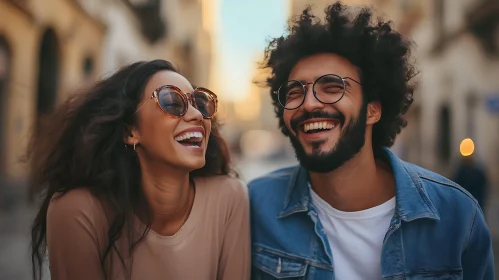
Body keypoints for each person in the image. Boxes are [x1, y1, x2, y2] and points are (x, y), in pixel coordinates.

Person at [248, 2, 493, 279]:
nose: (309, 103)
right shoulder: (254, 205)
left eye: (332, 87)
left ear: (373, 110)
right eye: (294, 93)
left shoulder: (457, 215)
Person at [27, 59, 250, 280]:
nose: (197, 115)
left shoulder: (229, 198)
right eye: (172, 102)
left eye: (200, 104)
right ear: (130, 131)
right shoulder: (78, 211)